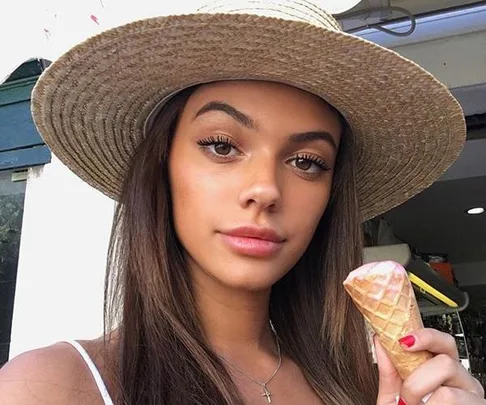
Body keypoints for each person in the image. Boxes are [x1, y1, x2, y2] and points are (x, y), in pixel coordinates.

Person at [0, 1, 484, 404]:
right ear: (162, 166)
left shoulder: (367, 385)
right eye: (221, 145)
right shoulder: (52, 386)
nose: (266, 189)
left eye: (307, 161)